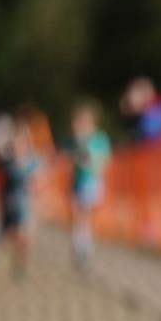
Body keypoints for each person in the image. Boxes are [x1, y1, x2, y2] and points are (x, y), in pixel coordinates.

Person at [0, 114, 40, 280]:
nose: (17, 146)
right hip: (10, 203)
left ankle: (22, 265)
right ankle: (18, 257)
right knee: (10, 236)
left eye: (20, 142)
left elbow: (38, 183)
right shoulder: (7, 162)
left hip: (26, 204)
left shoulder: (33, 162)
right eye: (15, 142)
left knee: (25, 236)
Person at [69, 99, 111, 270]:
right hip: (78, 181)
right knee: (76, 214)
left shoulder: (98, 139)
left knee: (84, 215)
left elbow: (101, 162)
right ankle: (81, 244)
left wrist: (86, 160)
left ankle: (84, 246)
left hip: (91, 182)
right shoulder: (79, 139)